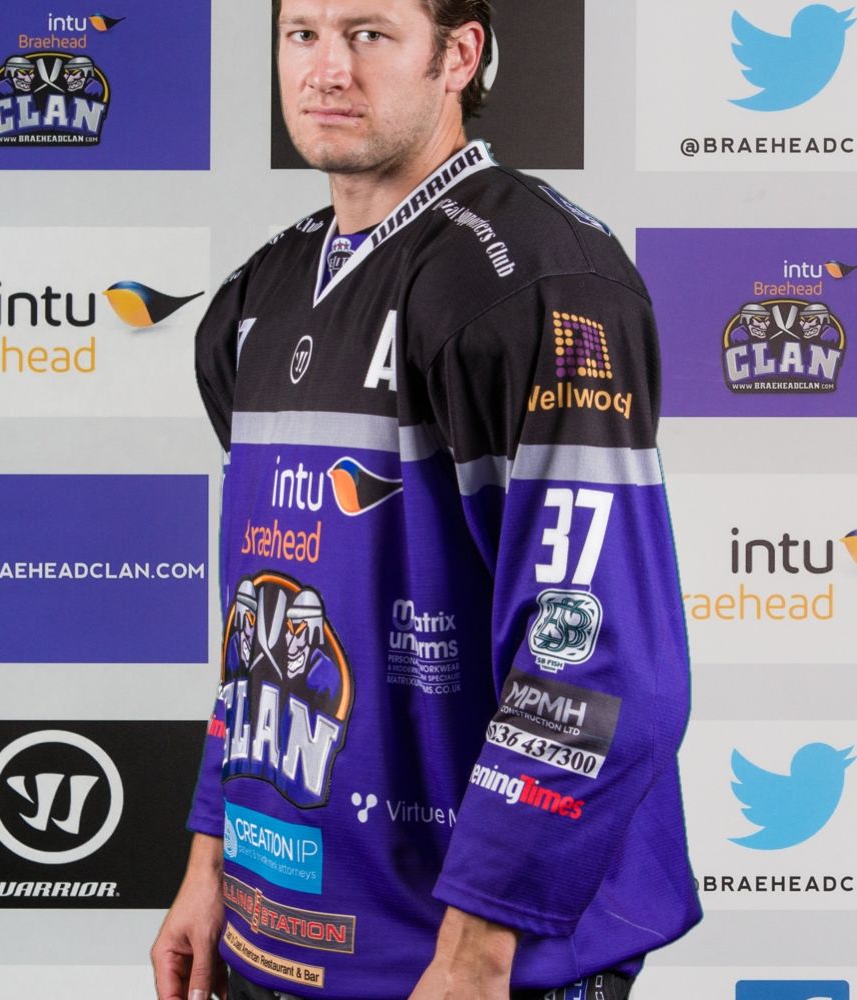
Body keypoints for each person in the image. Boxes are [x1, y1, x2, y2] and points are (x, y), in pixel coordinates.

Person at [151, 1, 702, 998]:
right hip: (273, 938)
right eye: (302, 34)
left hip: (466, 964)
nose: (326, 70)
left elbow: (596, 656)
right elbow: (257, 629)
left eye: (368, 34)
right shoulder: (257, 294)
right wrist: (209, 855)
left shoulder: (542, 280)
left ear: (458, 54)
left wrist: (477, 947)